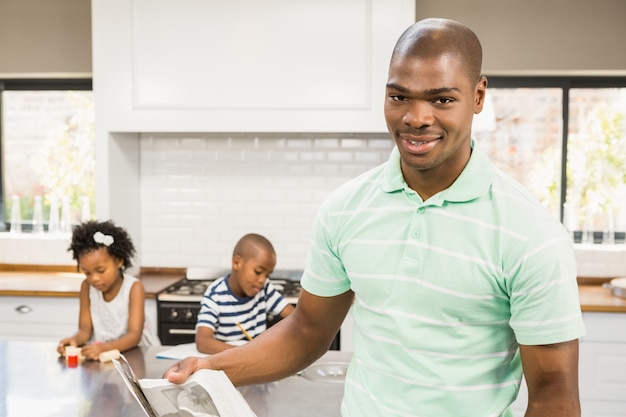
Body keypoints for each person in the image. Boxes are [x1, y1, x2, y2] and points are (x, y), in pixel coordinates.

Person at [164, 17, 585, 417]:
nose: (416, 118)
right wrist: (214, 369)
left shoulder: (532, 233)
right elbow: (306, 332)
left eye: (442, 99)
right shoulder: (345, 209)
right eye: (399, 96)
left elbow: (554, 397)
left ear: (477, 97)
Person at [57, 220, 157, 361]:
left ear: (119, 261)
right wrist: (74, 340)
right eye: (87, 272)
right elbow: (85, 330)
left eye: (101, 270)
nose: (94, 279)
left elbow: (134, 335)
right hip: (104, 356)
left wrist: (106, 347)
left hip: (136, 356)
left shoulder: (134, 288)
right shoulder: (86, 287)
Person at [195, 233, 294, 353]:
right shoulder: (215, 295)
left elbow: (293, 317)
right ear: (237, 263)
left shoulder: (265, 289)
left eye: (267, 275)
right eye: (258, 272)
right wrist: (244, 354)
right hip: (229, 360)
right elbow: (203, 342)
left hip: (256, 359)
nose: (263, 280)